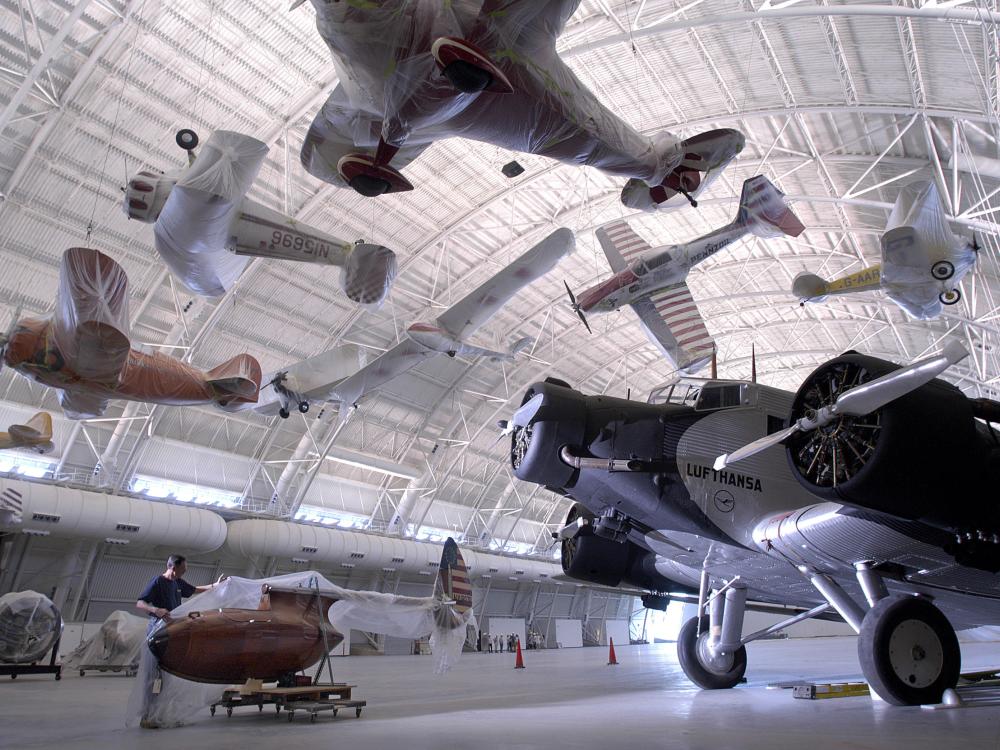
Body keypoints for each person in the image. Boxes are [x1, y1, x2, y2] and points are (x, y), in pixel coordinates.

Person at [133, 555, 225, 729]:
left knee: (167, 678)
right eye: (183, 569)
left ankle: (160, 713)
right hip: (157, 632)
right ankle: (147, 716)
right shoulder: (158, 582)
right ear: (173, 568)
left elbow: (195, 589)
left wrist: (216, 586)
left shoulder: (177, 583)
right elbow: (140, 603)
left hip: (172, 632)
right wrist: (155, 610)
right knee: (154, 677)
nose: (184, 572)